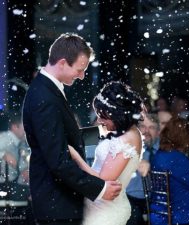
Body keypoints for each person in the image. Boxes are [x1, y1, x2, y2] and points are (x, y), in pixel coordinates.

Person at [22, 33, 121, 225]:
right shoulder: (44, 97)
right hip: (57, 203)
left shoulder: (48, 89)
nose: (82, 76)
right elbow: (58, 161)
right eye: (80, 69)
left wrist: (102, 133)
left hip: (59, 202)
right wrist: (99, 189)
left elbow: (60, 137)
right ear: (62, 63)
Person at [68, 81, 144, 225]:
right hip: (97, 205)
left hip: (106, 211)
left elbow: (103, 181)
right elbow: (86, 135)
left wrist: (76, 157)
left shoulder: (127, 139)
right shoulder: (122, 130)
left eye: (102, 116)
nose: (99, 121)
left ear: (116, 114)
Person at [126, 113, 160, 225]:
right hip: (130, 198)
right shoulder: (129, 147)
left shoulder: (164, 149)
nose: (146, 131)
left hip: (158, 199)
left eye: (152, 127)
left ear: (158, 132)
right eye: (143, 127)